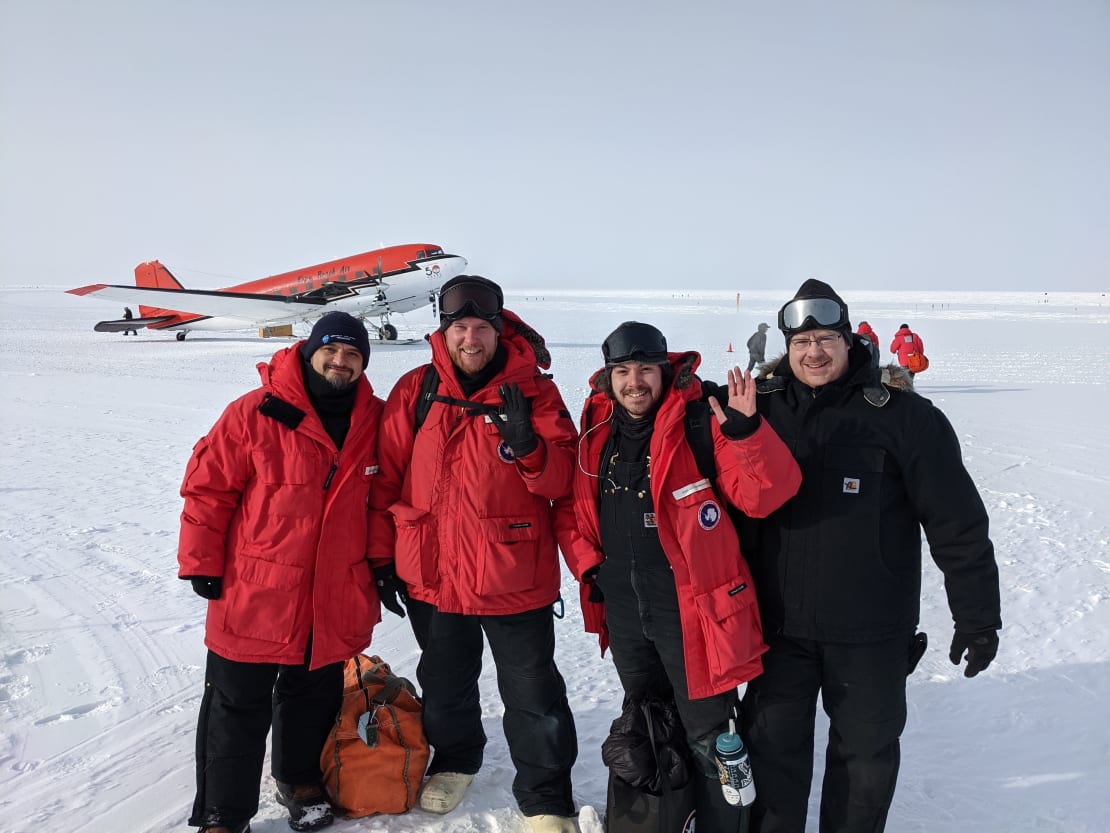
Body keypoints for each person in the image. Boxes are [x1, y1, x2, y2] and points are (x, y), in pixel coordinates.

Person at [740, 280, 1002, 833]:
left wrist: (978, 617)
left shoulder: (906, 418)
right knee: (772, 760)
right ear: (787, 347)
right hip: (777, 630)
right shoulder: (758, 410)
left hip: (871, 634)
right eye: (802, 340)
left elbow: (957, 524)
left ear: (849, 339)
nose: (814, 351)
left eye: (827, 338)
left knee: (865, 763)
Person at [566, 321, 802, 830]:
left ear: (664, 371)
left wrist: (747, 435)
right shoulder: (596, 430)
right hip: (626, 607)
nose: (634, 383)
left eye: (645, 370)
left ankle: (722, 822)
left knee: (708, 731)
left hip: (693, 608)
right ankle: (665, 818)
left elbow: (766, 496)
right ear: (608, 378)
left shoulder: (700, 422)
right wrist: (590, 566)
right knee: (647, 718)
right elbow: (572, 509)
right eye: (622, 371)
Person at [368, 275, 580, 833]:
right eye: (459, 327)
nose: (470, 338)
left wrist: (530, 445)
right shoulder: (416, 391)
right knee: (444, 685)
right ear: (444, 331)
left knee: (533, 694)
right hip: (432, 573)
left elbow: (564, 482)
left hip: (514, 571)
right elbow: (384, 482)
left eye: (481, 327)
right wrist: (382, 557)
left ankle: (546, 797)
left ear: (499, 330)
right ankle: (457, 759)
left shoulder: (536, 393)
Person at [178, 311, 385, 833]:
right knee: (236, 705)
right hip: (255, 588)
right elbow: (209, 489)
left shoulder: (375, 421)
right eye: (332, 350)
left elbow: (383, 503)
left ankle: (299, 780)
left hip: (334, 590)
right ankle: (224, 813)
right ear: (310, 350)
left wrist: (384, 566)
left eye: (353, 354)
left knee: (312, 697)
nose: (341, 361)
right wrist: (201, 560)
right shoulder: (254, 413)